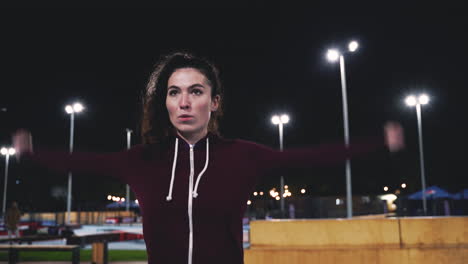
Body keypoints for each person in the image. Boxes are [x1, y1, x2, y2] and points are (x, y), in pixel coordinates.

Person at [13, 51, 404, 264]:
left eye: (196, 91)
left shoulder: (244, 156)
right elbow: (83, 163)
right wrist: (32, 152)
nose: (184, 102)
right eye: (174, 92)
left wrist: (377, 144)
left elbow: (312, 156)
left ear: (214, 103)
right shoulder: (142, 160)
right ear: (164, 102)